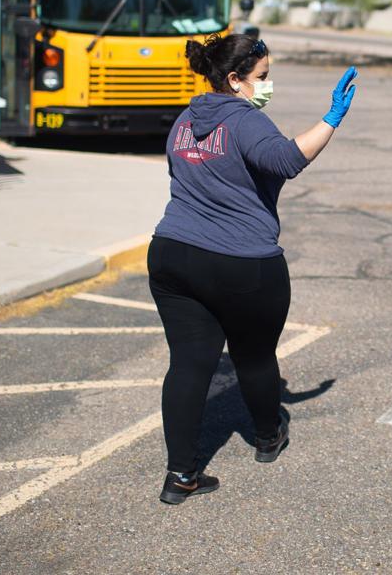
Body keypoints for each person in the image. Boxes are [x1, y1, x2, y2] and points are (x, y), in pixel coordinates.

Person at [147, 32, 357, 505]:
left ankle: (180, 475)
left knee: (187, 364)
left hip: (172, 253)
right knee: (255, 357)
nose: (268, 85)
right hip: (240, 264)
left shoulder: (184, 120)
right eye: (262, 77)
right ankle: (267, 437)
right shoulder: (244, 121)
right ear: (235, 79)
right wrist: (332, 119)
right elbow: (286, 160)